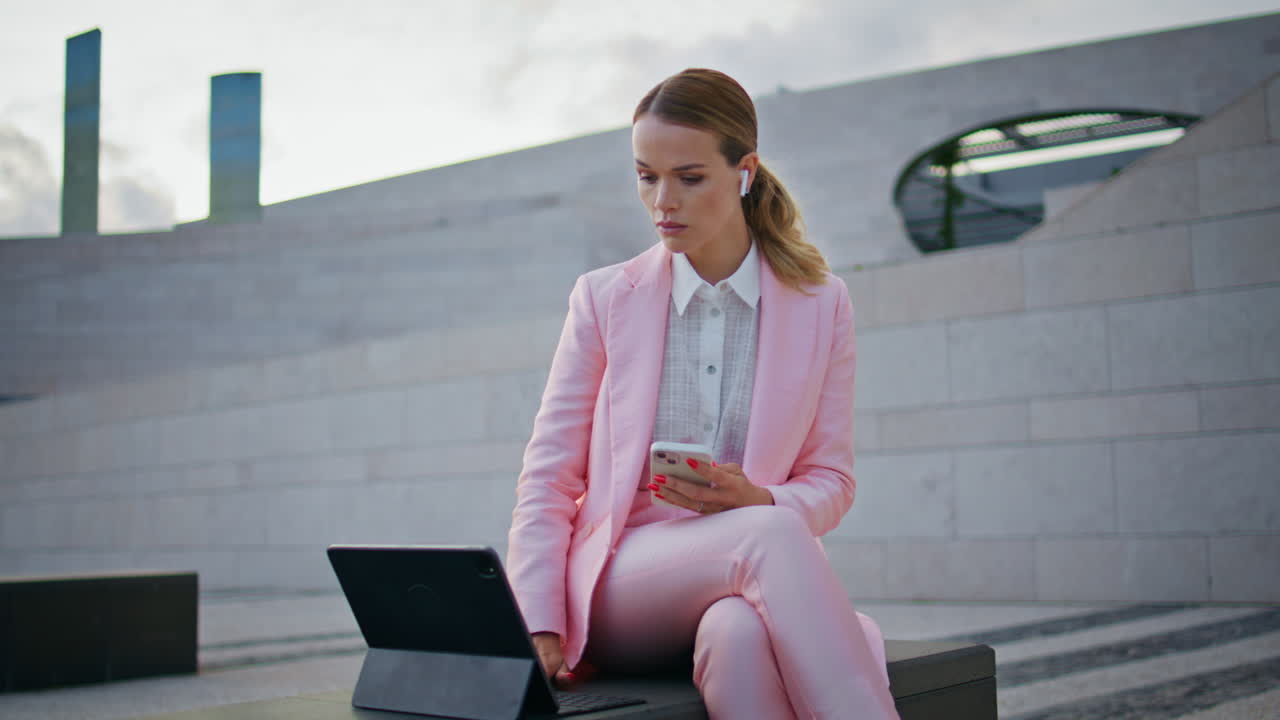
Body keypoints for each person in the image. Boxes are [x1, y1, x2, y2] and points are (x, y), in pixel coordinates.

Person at [506, 68, 899, 719]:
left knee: (738, 634)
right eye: (646, 175)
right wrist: (538, 620)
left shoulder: (821, 304)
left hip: (749, 583)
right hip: (622, 583)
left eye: (689, 178)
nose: (663, 200)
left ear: (744, 172)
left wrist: (760, 498)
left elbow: (832, 478)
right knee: (767, 536)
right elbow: (548, 476)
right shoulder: (604, 299)